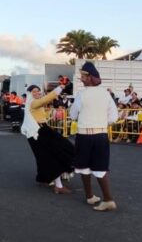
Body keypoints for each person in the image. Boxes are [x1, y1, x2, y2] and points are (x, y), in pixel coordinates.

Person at [69, 62, 118, 212]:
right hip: (101, 134)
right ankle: (103, 198)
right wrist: (102, 122)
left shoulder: (81, 95)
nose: (81, 79)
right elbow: (113, 117)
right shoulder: (106, 94)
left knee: (84, 166)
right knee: (100, 167)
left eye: (83, 76)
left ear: (89, 78)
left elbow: (73, 115)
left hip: (84, 135)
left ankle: (94, 197)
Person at [21, 84, 74, 194]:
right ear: (30, 93)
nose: (38, 93)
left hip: (42, 130)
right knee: (54, 154)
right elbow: (47, 98)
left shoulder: (34, 103)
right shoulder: (33, 103)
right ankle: (58, 185)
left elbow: (42, 112)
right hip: (40, 132)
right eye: (35, 91)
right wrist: (59, 88)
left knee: (45, 157)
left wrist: (49, 111)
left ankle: (45, 178)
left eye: (39, 91)